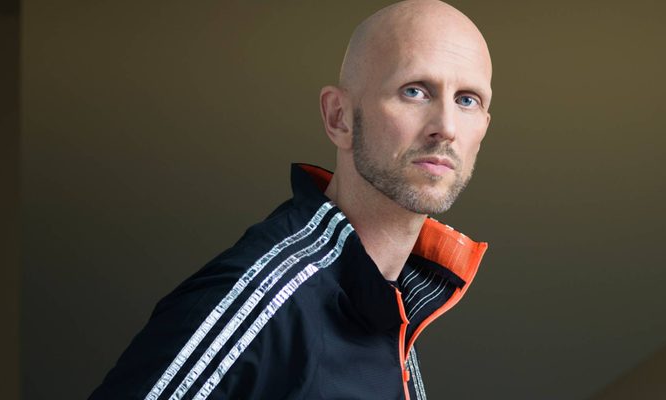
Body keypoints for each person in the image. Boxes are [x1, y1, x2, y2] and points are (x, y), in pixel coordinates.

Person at [90, 1, 493, 399]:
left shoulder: (397, 303)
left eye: (467, 100)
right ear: (339, 117)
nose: (446, 127)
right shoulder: (260, 299)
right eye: (415, 91)